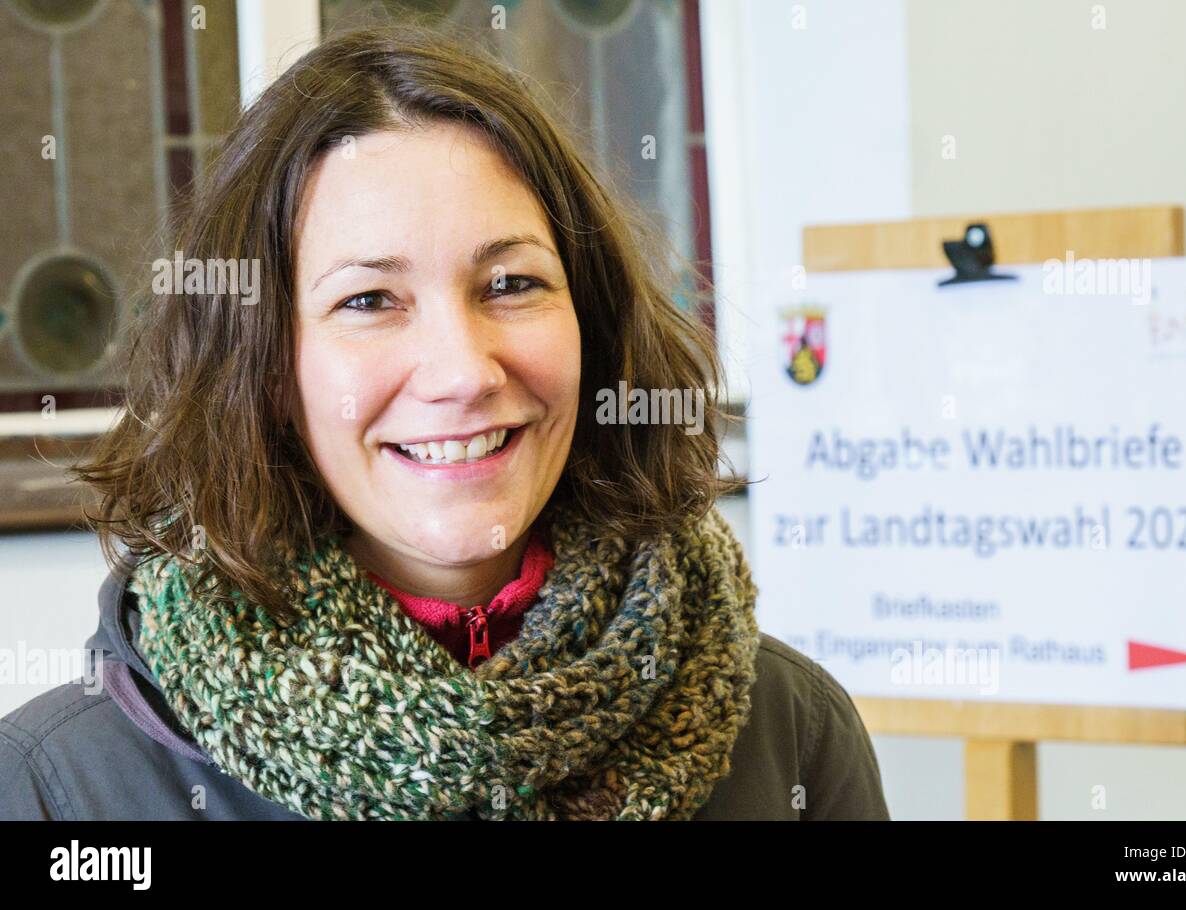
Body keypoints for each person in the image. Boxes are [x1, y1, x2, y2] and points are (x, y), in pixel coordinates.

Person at [0, 24, 888, 821]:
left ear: (595, 322)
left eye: (511, 284)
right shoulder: (64, 785)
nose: (464, 371)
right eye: (370, 299)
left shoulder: (790, 731)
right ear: (264, 365)